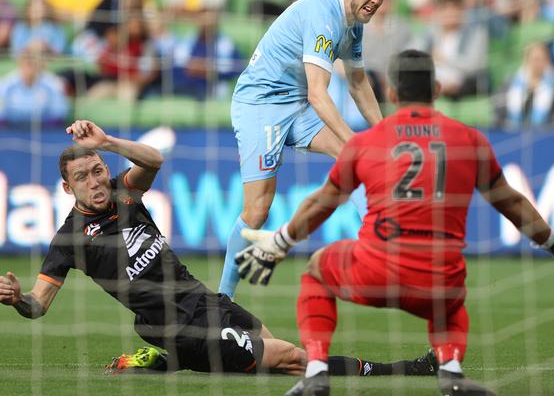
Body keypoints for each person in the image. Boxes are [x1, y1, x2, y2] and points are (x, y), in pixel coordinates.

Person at [235, 49, 554, 396]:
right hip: (438, 282)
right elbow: (511, 202)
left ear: (391, 93)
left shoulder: (367, 142)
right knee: (454, 303)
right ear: (437, 90)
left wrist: (281, 242)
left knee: (316, 270)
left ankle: (315, 372)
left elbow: (323, 202)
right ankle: (451, 371)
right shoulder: (469, 140)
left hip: (374, 270)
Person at [0, 119, 438, 378]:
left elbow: (154, 160)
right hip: (180, 326)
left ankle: (162, 360)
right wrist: (19, 299)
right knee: (292, 357)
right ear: (66, 186)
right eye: (83, 178)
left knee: (268, 341)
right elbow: (40, 305)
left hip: (203, 299)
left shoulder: (124, 194)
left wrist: (109, 142)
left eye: (97, 171)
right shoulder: (68, 239)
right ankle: (401, 370)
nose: (95, 182)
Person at [219, 0, 400, 298]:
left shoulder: (353, 23)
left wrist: (384, 134)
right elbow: (319, 94)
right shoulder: (322, 10)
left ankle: (381, 249)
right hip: (262, 103)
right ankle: (221, 300)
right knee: (257, 211)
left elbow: (358, 82)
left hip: (296, 102)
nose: (376, 0)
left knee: (356, 159)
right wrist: (358, 141)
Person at [494, 42, 554, 129]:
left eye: (541, 59)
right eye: (534, 59)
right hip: (512, 134)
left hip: (546, 136)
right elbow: (498, 109)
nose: (537, 64)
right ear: (526, 60)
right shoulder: (510, 82)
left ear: (548, 61)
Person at [0, 42, 70, 127]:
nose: (29, 68)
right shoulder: (6, 84)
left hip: (46, 132)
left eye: (33, 62)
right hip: (10, 131)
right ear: (20, 63)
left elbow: (59, 114)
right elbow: (2, 116)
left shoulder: (53, 84)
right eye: (27, 62)